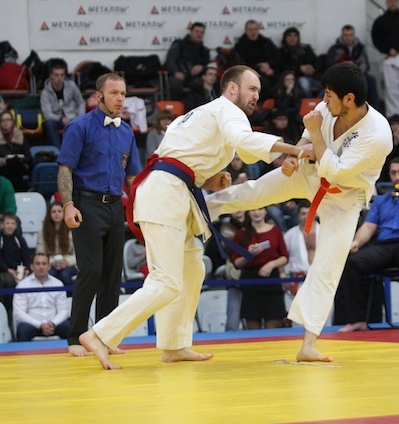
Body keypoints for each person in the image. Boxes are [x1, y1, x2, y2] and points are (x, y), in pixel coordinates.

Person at [78, 65, 312, 369]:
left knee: (192, 268)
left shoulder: (199, 115)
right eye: (252, 89)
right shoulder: (227, 111)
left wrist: (209, 179)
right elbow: (245, 141)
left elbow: (179, 158)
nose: (257, 95)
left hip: (172, 190)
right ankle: (100, 334)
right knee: (166, 281)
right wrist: (294, 149)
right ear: (232, 88)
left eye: (259, 90)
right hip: (165, 195)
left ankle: (174, 344)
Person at [205, 62, 392, 361]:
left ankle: (308, 345)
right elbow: (306, 140)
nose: (323, 100)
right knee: (253, 192)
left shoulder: (378, 134)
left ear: (349, 99)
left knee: (328, 266)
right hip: (309, 174)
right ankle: (199, 209)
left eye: (329, 95)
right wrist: (294, 155)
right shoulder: (327, 108)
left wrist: (315, 133)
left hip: (343, 199)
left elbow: (335, 171)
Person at [57, 72, 142, 357]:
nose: (120, 98)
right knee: (91, 270)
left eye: (123, 93)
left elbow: (132, 178)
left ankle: (105, 337)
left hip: (115, 205)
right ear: (99, 96)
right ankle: (75, 336)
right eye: (114, 93)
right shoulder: (79, 126)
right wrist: (68, 205)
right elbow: (65, 169)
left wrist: (141, 208)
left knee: (112, 275)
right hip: (87, 203)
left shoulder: (126, 132)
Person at [336, 156, 399, 332]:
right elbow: (368, 227)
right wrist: (356, 242)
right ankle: (357, 319)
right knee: (352, 263)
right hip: (384, 247)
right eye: (393, 173)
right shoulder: (381, 201)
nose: (397, 177)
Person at [232, 207, 288, 329]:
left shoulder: (275, 231)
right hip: (251, 282)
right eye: (253, 209)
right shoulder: (241, 234)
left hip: (272, 280)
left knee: (272, 329)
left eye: (260, 209)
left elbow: (285, 257)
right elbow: (236, 263)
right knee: (253, 331)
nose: (257, 213)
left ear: (265, 211)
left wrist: (271, 264)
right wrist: (249, 255)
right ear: (248, 212)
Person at [13, 252, 71, 342]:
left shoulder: (58, 284)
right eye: (37, 264)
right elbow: (19, 313)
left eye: (44, 264)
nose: (41, 267)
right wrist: (40, 325)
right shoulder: (22, 286)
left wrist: (53, 323)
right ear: (32, 266)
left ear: (49, 266)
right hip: (32, 325)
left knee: (69, 327)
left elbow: (63, 310)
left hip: (54, 324)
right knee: (22, 330)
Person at [326, 24, 380, 110]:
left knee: (371, 79)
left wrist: (354, 68)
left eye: (351, 35)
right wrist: (344, 66)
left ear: (354, 35)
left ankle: (375, 109)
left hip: (359, 75)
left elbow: (366, 65)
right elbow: (330, 65)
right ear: (342, 35)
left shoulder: (360, 48)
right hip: (341, 77)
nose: (348, 38)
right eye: (346, 35)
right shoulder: (335, 49)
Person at [40, 59, 86, 148]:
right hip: (57, 120)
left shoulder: (71, 86)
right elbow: (47, 114)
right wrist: (61, 119)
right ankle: (58, 150)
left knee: (82, 123)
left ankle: (78, 150)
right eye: (56, 75)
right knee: (49, 123)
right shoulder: (45, 93)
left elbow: (81, 102)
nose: (59, 78)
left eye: (61, 75)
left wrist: (80, 117)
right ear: (51, 75)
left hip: (73, 118)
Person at [234, 20, 281, 100]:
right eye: (250, 29)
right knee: (264, 83)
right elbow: (241, 65)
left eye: (255, 29)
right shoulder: (240, 46)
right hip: (252, 72)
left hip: (270, 70)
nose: (253, 32)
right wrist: (259, 67)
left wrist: (269, 66)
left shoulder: (266, 42)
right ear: (246, 31)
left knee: (283, 80)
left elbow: (278, 57)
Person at [36, 201, 78, 290]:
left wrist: (66, 262)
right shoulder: (42, 231)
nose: (56, 214)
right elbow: (40, 253)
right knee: (51, 274)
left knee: (65, 275)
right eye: (53, 211)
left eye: (59, 211)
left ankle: (70, 296)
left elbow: (78, 254)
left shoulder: (72, 230)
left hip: (69, 263)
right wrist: (51, 262)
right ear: (49, 214)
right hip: (51, 263)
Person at [0, 110, 32, 191]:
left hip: (18, 166)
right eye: (3, 120)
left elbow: (28, 157)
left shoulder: (19, 135)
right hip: (1, 167)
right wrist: (2, 161)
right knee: (9, 165)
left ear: (12, 122)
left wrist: (19, 159)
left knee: (15, 163)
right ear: (0, 122)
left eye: (8, 120)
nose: (6, 122)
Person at [165, 22, 211, 101]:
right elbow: (170, 59)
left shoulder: (204, 50)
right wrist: (176, 72)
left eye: (202, 32)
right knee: (175, 85)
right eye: (197, 31)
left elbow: (207, 65)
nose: (199, 34)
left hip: (194, 78)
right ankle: (177, 107)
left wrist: (201, 67)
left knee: (203, 85)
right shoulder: (179, 44)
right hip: (177, 75)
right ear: (191, 32)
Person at [0, 212, 31, 288]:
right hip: (4, 270)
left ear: (16, 226)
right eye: (7, 223)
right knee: (9, 281)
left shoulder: (20, 239)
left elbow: (26, 256)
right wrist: (9, 271)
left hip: (19, 269)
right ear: (2, 225)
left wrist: (26, 269)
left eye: (13, 223)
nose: (10, 226)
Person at [279, 27, 320, 98]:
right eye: (289, 36)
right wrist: (299, 69)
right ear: (285, 38)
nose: (292, 38)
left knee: (327, 86)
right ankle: (309, 102)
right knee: (304, 83)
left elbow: (316, 61)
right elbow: (282, 67)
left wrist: (312, 68)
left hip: (312, 76)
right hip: (296, 78)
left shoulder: (306, 48)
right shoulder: (281, 52)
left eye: (295, 35)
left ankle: (317, 102)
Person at [283, 200, 317, 279]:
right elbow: (282, 255)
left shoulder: (324, 232)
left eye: (310, 213)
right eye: (303, 214)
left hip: (320, 276)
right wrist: (284, 276)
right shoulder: (290, 234)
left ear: (315, 214)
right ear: (298, 215)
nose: (306, 216)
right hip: (298, 277)